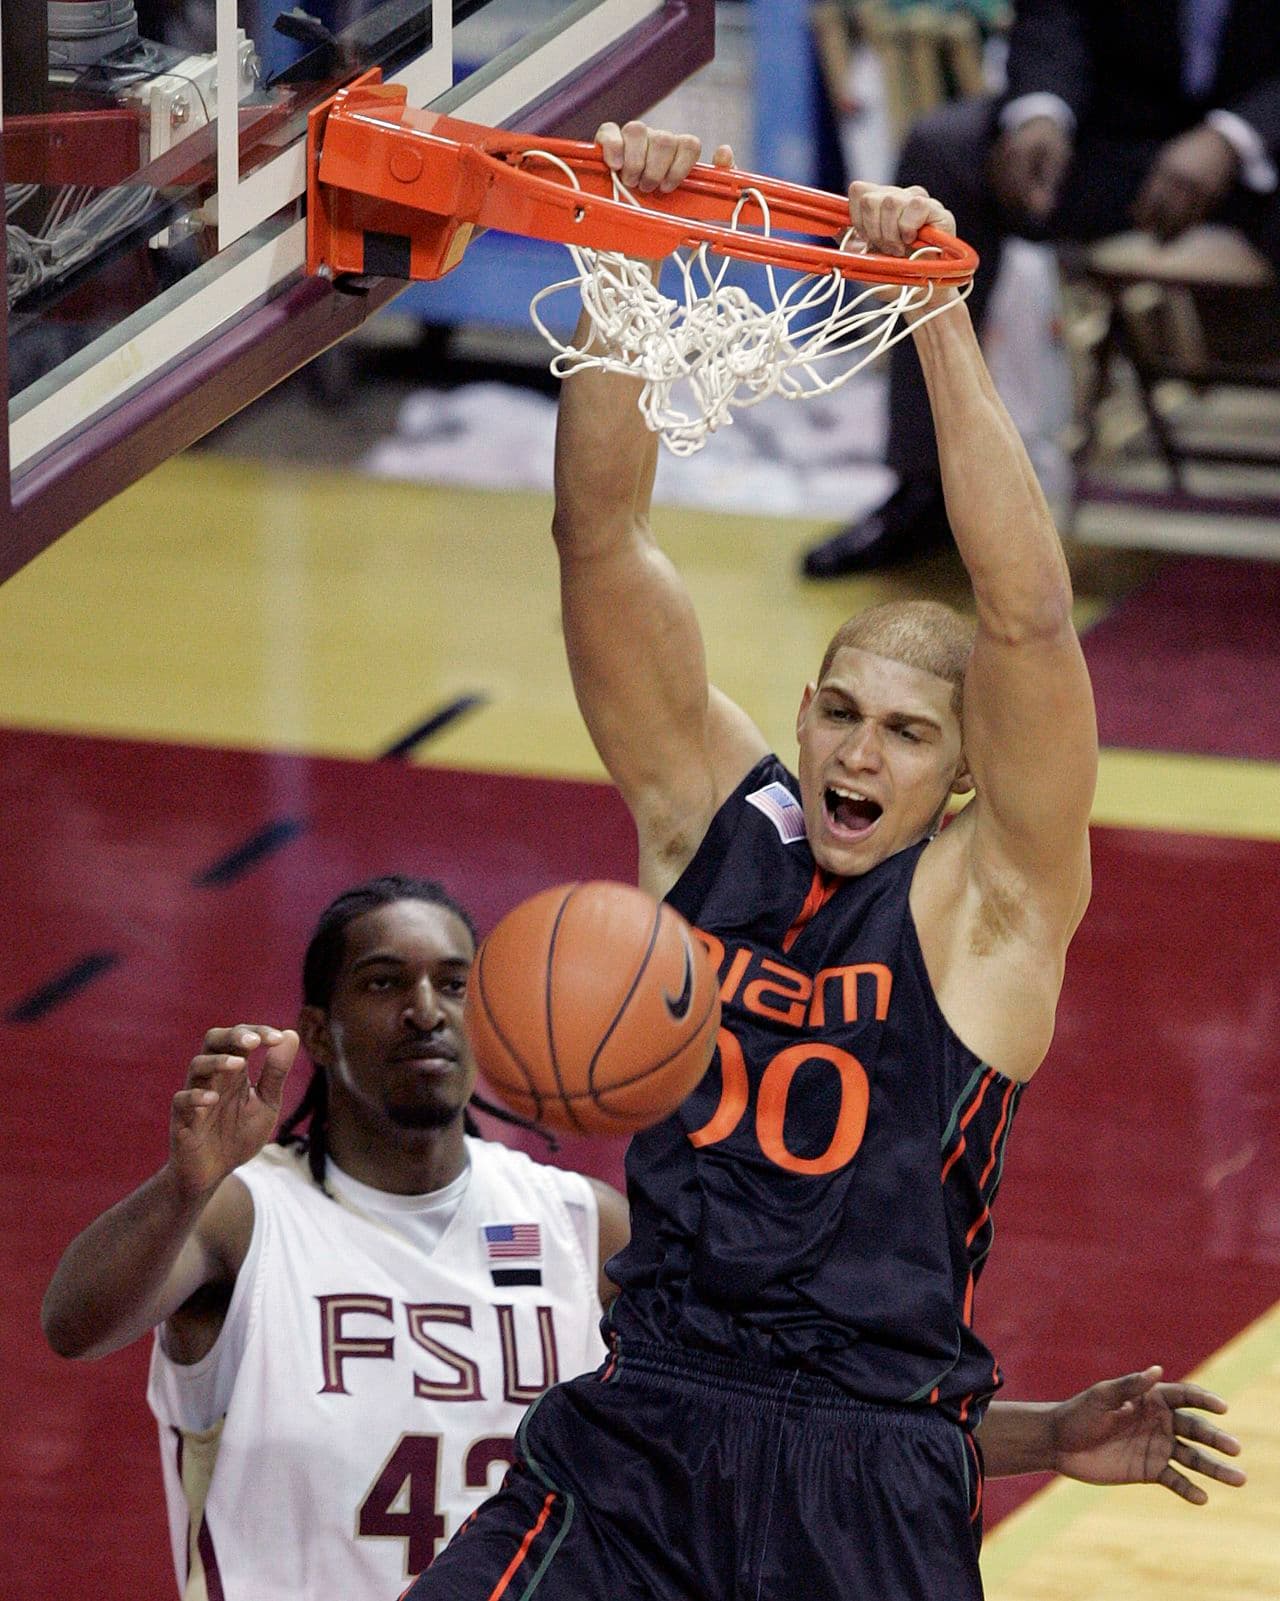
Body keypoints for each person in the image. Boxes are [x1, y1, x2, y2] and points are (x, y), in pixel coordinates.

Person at [403, 126, 1241, 1601]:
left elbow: (1031, 621)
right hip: (644, 1420)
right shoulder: (706, 827)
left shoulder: (995, 906)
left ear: (965, 770)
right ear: (798, 715)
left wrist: (930, 304)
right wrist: (630, 251)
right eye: (840, 713)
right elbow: (599, 536)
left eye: (908, 733)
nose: (861, 753)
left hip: (868, 1465)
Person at [41, 874, 628, 1601]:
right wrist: (182, 1186)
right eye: (385, 983)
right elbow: (72, 1324)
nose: (425, 1011)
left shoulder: (581, 1224)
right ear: (318, 1031)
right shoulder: (244, 1213)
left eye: (453, 984)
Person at [802, 0, 1280, 575]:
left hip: (1265, 149)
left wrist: (1234, 137)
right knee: (944, 155)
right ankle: (930, 493)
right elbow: (1054, 14)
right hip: (1123, 139)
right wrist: (1040, 115)